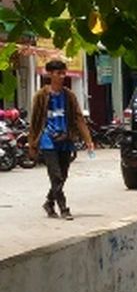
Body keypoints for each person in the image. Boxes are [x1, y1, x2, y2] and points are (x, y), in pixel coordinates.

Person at [27, 59, 94, 220]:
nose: (62, 76)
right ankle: (64, 208)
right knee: (55, 175)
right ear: (50, 74)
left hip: (66, 139)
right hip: (47, 139)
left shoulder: (69, 96)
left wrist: (88, 140)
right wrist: (32, 144)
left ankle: (49, 202)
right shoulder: (41, 96)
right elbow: (35, 121)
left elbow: (78, 118)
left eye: (64, 73)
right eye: (58, 73)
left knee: (63, 175)